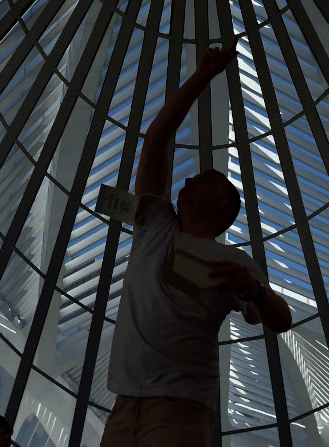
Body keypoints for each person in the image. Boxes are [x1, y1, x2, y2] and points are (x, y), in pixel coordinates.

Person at [100, 38, 293, 446]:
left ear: (224, 204)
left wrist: (254, 290)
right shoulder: (155, 223)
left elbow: (281, 319)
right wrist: (203, 76)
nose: (187, 178)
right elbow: (156, 141)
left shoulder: (233, 262)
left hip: (181, 409)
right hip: (125, 405)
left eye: (202, 178)